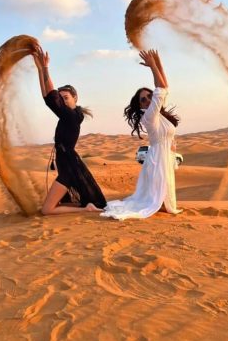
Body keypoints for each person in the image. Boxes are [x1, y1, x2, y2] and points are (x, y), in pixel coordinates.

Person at [101, 49, 182, 220]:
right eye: (143, 99)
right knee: (152, 204)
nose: (147, 100)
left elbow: (163, 88)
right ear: (140, 106)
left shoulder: (159, 112)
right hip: (157, 157)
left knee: (165, 202)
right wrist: (153, 66)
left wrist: (158, 62)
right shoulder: (149, 116)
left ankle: (160, 203)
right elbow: (161, 89)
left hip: (165, 155)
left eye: (148, 96)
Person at [31, 44, 106, 215]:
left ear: (75, 98)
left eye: (66, 98)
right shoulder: (67, 115)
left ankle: (86, 209)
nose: (63, 101)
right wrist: (39, 70)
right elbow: (47, 97)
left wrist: (45, 67)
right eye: (61, 98)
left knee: (47, 210)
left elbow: (51, 97)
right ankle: (85, 206)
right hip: (67, 164)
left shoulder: (73, 117)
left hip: (69, 167)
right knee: (51, 206)